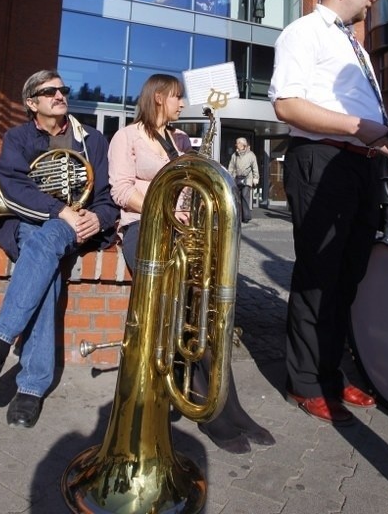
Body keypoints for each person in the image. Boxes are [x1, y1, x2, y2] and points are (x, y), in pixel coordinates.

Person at [269, 0, 388, 426]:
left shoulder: (352, 44)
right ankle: (305, 381)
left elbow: (365, 122)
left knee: (348, 278)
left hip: (361, 165)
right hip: (323, 161)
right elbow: (287, 104)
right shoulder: (304, 31)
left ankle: (331, 373)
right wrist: (358, 128)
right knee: (320, 276)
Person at [108, 73, 275, 453]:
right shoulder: (128, 136)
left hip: (183, 233)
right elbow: (120, 189)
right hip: (144, 230)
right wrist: (165, 208)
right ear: (159, 98)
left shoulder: (181, 141)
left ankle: (227, 404)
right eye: (177, 98)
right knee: (183, 302)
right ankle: (209, 409)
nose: (182, 104)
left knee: (208, 308)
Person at [0, 70, 118, 428]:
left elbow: (106, 200)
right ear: (32, 103)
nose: (60, 95)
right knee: (45, 260)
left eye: (62, 90)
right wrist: (60, 210)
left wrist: (97, 220)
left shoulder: (92, 140)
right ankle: (31, 387)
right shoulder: (18, 137)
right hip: (31, 223)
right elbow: (13, 187)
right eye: (49, 91)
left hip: (73, 227)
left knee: (45, 242)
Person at [228, 138, 259, 223]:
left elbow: (255, 167)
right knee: (236, 197)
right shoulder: (235, 155)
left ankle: (246, 217)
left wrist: (256, 178)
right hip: (237, 178)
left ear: (243, 145)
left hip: (247, 179)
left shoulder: (251, 155)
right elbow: (231, 167)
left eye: (237, 143)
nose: (236, 145)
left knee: (245, 196)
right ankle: (237, 215)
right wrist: (229, 176)